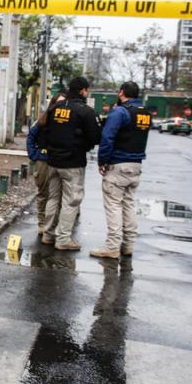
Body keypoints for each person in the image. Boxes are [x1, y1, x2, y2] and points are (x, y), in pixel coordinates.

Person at [41, 76, 101, 250]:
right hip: (73, 163)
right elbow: (96, 136)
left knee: (53, 198)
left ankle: (48, 234)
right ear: (83, 90)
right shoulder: (85, 111)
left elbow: (45, 130)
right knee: (71, 201)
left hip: (53, 161)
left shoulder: (55, 108)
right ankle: (63, 239)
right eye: (86, 90)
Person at [91, 81, 150, 259]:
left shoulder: (120, 112)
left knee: (114, 205)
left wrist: (102, 161)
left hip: (118, 164)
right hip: (136, 165)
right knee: (128, 204)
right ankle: (128, 245)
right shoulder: (145, 113)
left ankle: (112, 247)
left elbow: (107, 137)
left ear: (121, 92)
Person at [27, 92, 66, 235]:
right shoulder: (43, 119)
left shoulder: (66, 121)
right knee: (43, 193)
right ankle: (42, 224)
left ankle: (53, 225)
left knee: (57, 196)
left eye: (64, 102)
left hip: (59, 161)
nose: (60, 106)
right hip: (43, 161)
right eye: (58, 102)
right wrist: (33, 155)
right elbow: (31, 136)